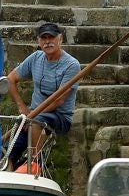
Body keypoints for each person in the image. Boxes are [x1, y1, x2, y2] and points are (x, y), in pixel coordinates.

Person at [7, 21, 81, 170]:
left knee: (37, 121)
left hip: (59, 117)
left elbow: (59, 100)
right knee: (7, 150)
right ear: (39, 41)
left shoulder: (72, 65)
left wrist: (32, 115)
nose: (48, 42)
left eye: (51, 38)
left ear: (60, 39)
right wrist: (23, 108)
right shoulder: (36, 58)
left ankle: (34, 163)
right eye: (44, 38)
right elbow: (10, 79)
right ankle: (8, 171)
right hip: (33, 114)